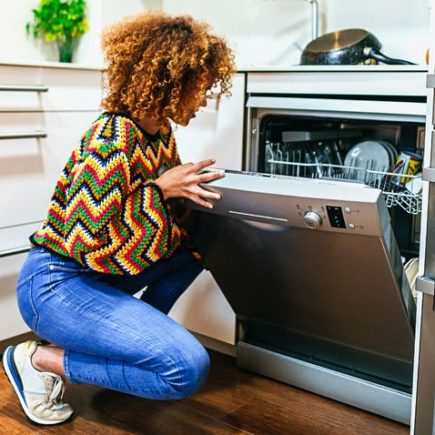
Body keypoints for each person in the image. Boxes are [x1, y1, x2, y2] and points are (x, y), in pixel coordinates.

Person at [2, 11, 235, 425]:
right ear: (170, 81)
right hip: (55, 285)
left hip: (95, 277)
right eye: (199, 86)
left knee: (194, 250)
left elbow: (154, 222)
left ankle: (125, 343)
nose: (203, 99)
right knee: (186, 369)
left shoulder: (160, 133)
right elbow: (86, 235)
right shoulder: (111, 137)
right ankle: (40, 359)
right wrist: (161, 190)